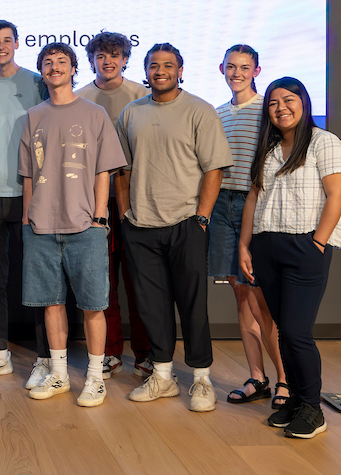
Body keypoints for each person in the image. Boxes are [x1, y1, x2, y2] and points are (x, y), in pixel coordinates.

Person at [115, 43, 232, 412]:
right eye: (153, 65)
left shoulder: (199, 110)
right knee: (152, 305)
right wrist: (125, 214)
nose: (160, 71)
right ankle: (162, 376)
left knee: (193, 305)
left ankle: (201, 380)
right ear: (146, 71)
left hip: (186, 223)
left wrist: (202, 218)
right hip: (141, 225)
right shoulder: (131, 113)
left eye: (168, 65)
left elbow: (214, 168)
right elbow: (123, 170)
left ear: (180, 70)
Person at [239, 77, 341, 439]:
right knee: (285, 331)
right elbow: (254, 199)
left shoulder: (325, 142)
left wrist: (317, 243)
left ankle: (313, 410)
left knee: (298, 332)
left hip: (305, 245)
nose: (281, 107)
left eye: (289, 99)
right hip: (267, 246)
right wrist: (245, 245)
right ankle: (298, 401)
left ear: (304, 102)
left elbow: (337, 195)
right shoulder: (268, 151)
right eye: (273, 102)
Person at [19, 43, 127, 407]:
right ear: (42, 71)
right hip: (42, 224)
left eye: (61, 62)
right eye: (47, 63)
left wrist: (99, 216)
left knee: (94, 304)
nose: (54, 68)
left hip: (85, 225)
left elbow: (104, 170)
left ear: (73, 68)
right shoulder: (33, 115)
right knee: (51, 303)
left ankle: (96, 378)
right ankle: (60, 375)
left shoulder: (95, 114)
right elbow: (29, 176)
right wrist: (27, 216)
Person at [0, 20, 51, 386]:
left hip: (32, 197)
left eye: (6, 41)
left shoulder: (37, 83)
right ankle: (0, 352)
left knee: (38, 280)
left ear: (17, 44)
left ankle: (46, 357)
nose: (1, 46)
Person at [212, 45, 288, 409]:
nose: (237, 72)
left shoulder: (266, 111)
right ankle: (257, 377)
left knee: (258, 296)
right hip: (221, 204)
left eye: (244, 67)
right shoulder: (217, 114)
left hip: (252, 203)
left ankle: (286, 380)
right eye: (231, 66)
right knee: (240, 294)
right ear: (222, 69)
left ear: (257, 70)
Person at [75, 31, 151, 379]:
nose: (108, 61)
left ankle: (146, 353)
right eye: (101, 55)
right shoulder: (79, 99)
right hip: (93, 204)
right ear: (91, 60)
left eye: (115, 54)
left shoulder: (143, 95)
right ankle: (109, 351)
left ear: (125, 59)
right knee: (102, 281)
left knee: (140, 281)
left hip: (138, 202)